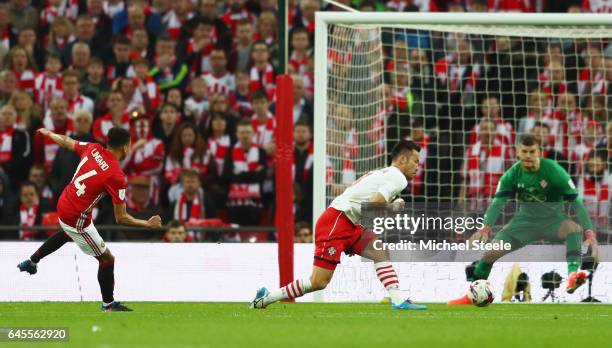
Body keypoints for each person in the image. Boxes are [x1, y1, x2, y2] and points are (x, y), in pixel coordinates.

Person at [250, 140, 427, 310]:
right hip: (337, 221)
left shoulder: (384, 173)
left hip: (348, 221)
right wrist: (393, 207)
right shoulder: (398, 177)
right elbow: (372, 206)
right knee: (318, 282)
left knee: (379, 250)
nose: (417, 166)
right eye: (415, 161)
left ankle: (398, 299)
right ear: (402, 159)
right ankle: (266, 297)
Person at [17, 126, 162, 312]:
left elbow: (67, 142)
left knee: (68, 234)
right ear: (126, 147)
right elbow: (122, 217)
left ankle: (32, 261)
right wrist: (147, 224)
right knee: (107, 259)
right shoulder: (117, 176)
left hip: (64, 202)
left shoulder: (93, 148)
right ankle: (108, 305)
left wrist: (50, 134)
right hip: (77, 218)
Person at [448, 134, 597, 305]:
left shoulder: (554, 171)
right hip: (524, 222)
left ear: (539, 152)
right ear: (518, 152)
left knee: (573, 229)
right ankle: (471, 296)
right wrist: (485, 228)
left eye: (532, 151)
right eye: (524, 151)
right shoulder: (512, 174)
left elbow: (576, 202)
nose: (528, 155)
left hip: (553, 221)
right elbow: (498, 202)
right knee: (490, 254)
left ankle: (572, 275)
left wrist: (589, 232)